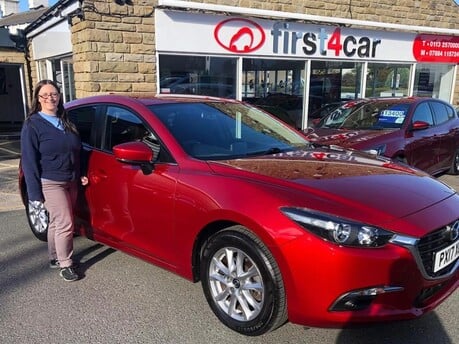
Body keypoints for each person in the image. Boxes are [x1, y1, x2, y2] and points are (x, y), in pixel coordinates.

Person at [20, 80, 88, 282]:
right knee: (66, 222)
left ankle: (53, 257)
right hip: (50, 181)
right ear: (38, 99)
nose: (50, 98)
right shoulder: (32, 124)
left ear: (59, 96)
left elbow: (79, 149)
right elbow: (29, 161)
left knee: (57, 222)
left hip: (71, 179)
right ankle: (66, 264)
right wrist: (34, 194)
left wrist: (81, 171)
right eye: (45, 95)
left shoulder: (65, 120)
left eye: (54, 94)